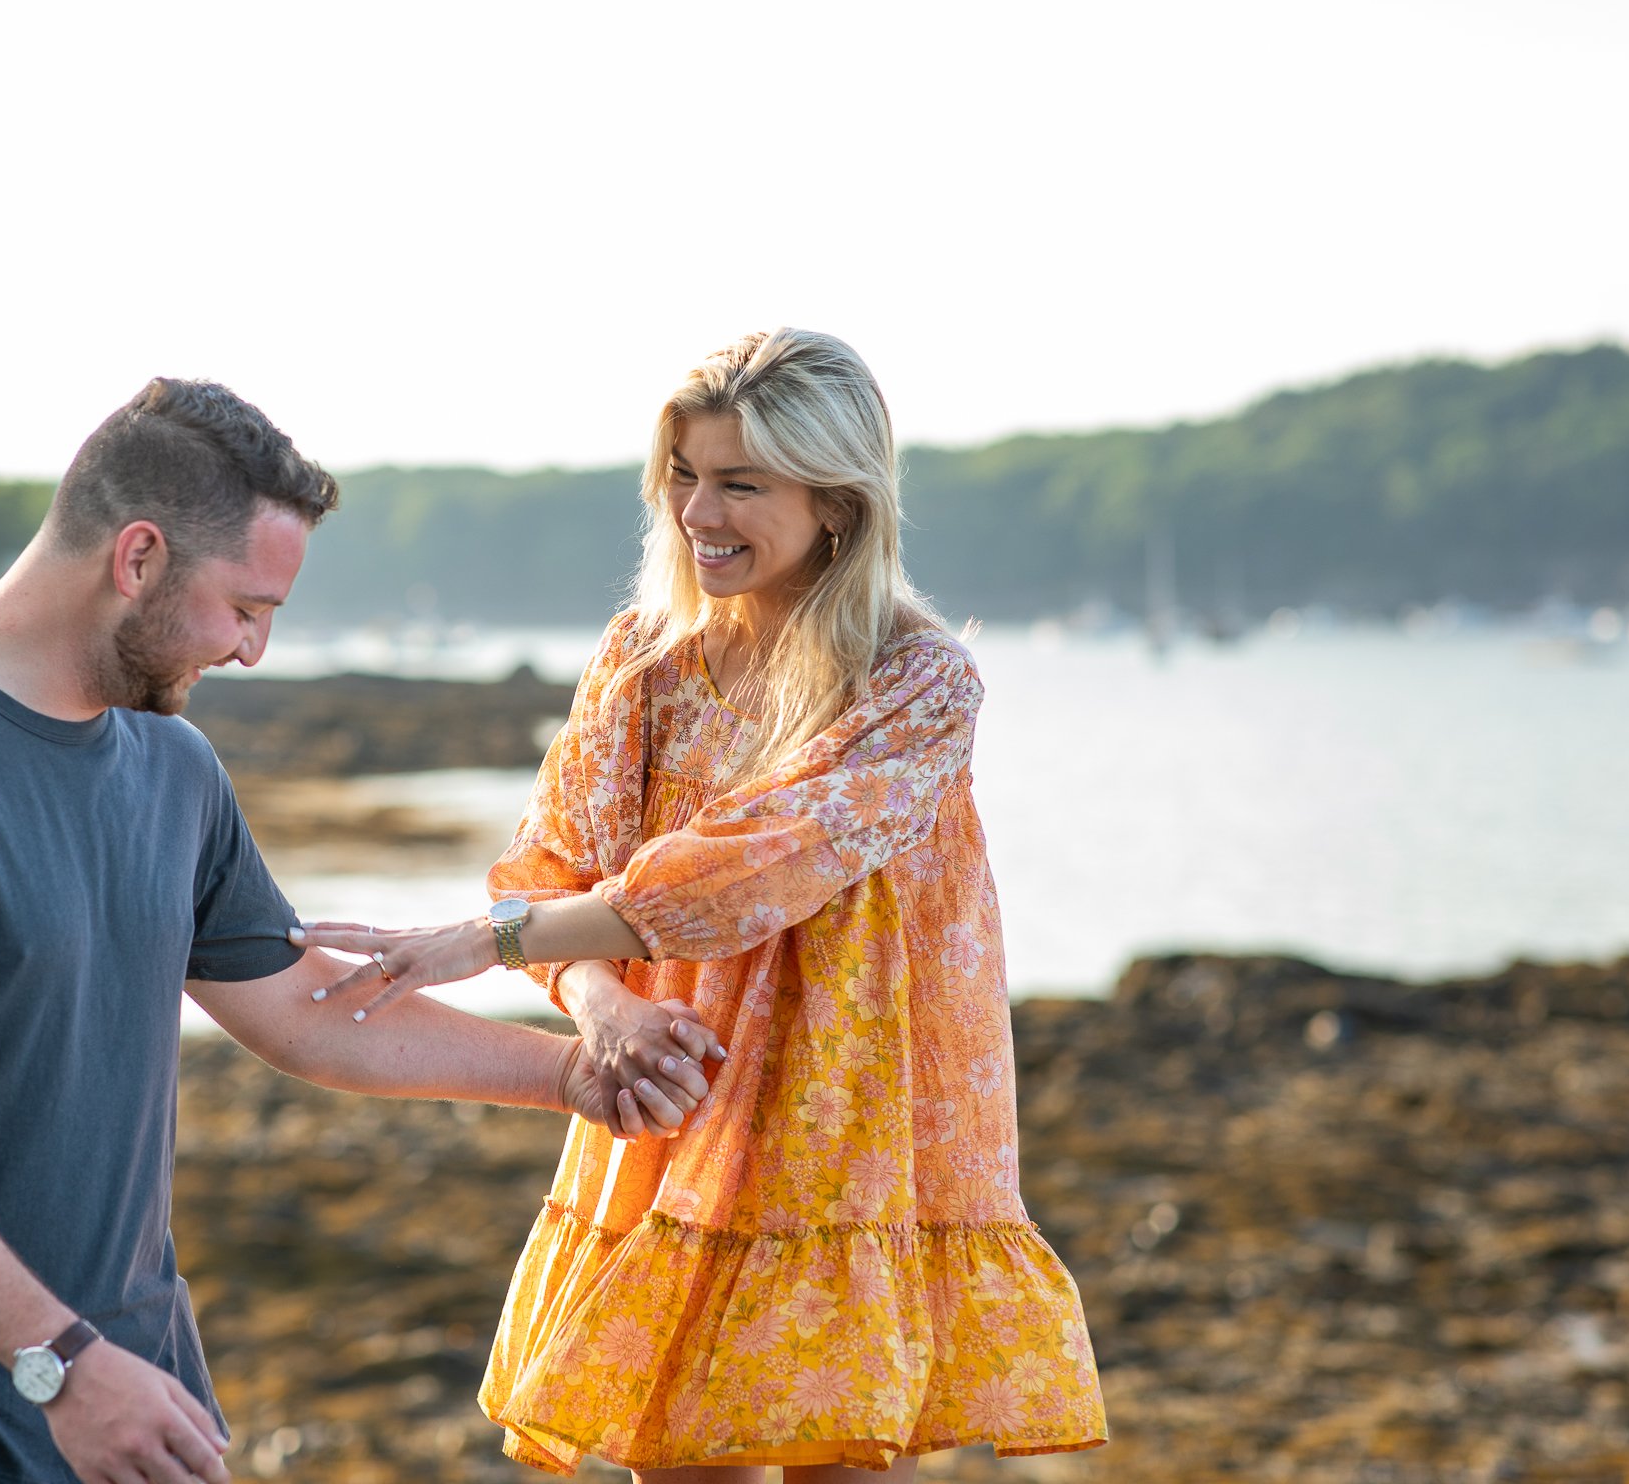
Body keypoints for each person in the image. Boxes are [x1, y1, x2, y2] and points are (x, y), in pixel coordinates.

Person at [0, 377, 716, 1484]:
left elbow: (310, 1016)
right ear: (139, 557)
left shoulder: (173, 766)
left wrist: (576, 1078)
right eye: (246, 608)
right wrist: (63, 1364)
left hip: (140, 1418)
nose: (253, 650)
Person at [302, 329, 1110, 1479]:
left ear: (837, 503)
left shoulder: (919, 681)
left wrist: (480, 944)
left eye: (741, 482)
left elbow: (742, 873)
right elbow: (551, 872)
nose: (699, 510)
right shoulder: (644, 660)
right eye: (683, 473)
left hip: (848, 1122)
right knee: (670, 1457)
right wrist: (601, 1010)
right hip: (675, 1089)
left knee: (841, 1459)